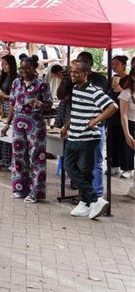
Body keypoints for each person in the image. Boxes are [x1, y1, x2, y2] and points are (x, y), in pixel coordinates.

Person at [61, 60, 117, 219]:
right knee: (70, 167)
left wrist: (96, 120)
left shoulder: (94, 91)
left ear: (86, 73)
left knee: (85, 171)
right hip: (73, 136)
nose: (72, 74)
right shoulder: (75, 89)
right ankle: (90, 201)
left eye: (76, 72)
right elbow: (77, 111)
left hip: (88, 138)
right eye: (71, 71)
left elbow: (113, 106)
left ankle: (90, 201)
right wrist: (67, 126)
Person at [1, 57, 52, 202]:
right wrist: (7, 124)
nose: (24, 72)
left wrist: (40, 104)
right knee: (18, 156)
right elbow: (12, 105)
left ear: (34, 68)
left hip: (35, 124)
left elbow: (49, 105)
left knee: (36, 157)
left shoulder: (42, 84)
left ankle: (36, 192)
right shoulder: (16, 83)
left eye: (27, 68)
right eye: (21, 69)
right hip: (18, 123)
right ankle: (19, 189)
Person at [108, 55, 132, 178]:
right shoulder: (112, 79)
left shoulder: (129, 79)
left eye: (116, 64)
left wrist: (120, 89)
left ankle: (128, 168)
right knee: (113, 140)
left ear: (123, 65)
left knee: (125, 142)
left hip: (126, 114)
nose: (114, 66)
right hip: (113, 114)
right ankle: (114, 165)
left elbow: (131, 96)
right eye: (112, 64)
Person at [116, 74, 135, 198]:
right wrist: (127, 134)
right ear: (133, 77)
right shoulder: (126, 93)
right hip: (131, 126)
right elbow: (123, 115)